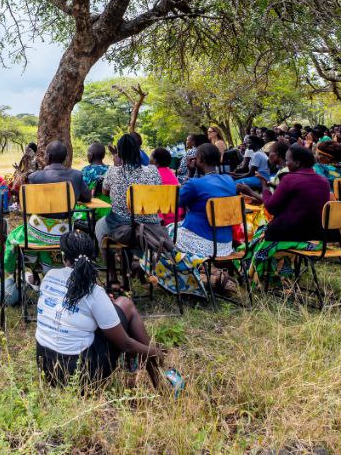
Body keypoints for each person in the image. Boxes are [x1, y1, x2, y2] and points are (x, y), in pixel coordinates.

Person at [34, 230, 179, 393]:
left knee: (113, 312)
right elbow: (126, 344)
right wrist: (156, 352)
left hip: (46, 368)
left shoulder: (49, 276)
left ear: (63, 256)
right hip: (81, 378)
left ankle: (142, 368)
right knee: (125, 304)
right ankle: (160, 381)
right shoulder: (93, 291)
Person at [240, 145, 333, 280]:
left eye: (288, 160)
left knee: (259, 233)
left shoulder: (289, 178)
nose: (287, 163)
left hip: (290, 234)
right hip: (317, 235)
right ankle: (282, 271)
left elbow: (271, 207)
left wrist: (264, 187)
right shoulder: (323, 181)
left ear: (297, 163)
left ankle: (256, 274)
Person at [173, 143, 239, 294]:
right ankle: (210, 274)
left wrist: (190, 173)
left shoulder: (195, 183)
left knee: (169, 232)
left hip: (205, 243)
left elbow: (177, 202)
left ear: (200, 159)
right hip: (225, 244)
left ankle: (188, 281)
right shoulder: (229, 181)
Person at [95, 133, 162, 250]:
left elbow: (105, 192)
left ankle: (110, 263)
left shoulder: (113, 171)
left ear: (119, 153)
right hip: (151, 227)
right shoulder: (153, 171)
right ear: (138, 150)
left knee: (99, 226)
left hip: (122, 226)